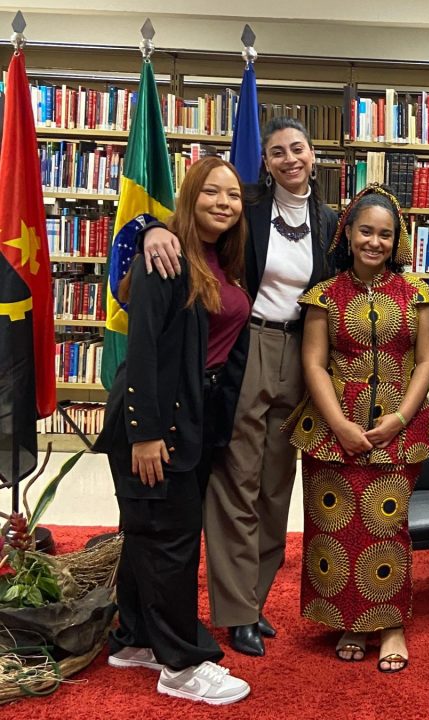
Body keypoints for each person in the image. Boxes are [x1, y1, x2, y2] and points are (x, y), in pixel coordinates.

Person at [143, 117, 339, 656]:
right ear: (266, 163)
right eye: (277, 152)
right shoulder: (246, 206)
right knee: (236, 480)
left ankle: (255, 598)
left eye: (297, 148)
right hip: (247, 347)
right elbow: (188, 218)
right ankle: (235, 612)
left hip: (304, 354)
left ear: (313, 155)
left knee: (276, 486)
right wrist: (149, 228)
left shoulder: (329, 221)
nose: (289, 159)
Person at [94, 157, 252, 705]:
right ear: (189, 196)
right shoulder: (164, 258)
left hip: (194, 417)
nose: (224, 203)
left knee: (149, 533)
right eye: (211, 192)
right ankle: (181, 665)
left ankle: (136, 638)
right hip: (155, 420)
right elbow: (141, 348)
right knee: (172, 543)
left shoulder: (220, 259)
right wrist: (144, 433)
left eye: (233, 195)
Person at [283, 184, 429, 673]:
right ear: (348, 233)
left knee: (386, 525)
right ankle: (351, 621)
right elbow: (313, 363)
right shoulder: (323, 295)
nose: (375, 242)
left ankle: (391, 624)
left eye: (385, 234)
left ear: (397, 241)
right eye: (366, 232)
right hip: (332, 429)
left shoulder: (418, 294)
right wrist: (339, 425)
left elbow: (427, 361)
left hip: (399, 426)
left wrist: (400, 418)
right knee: (335, 527)